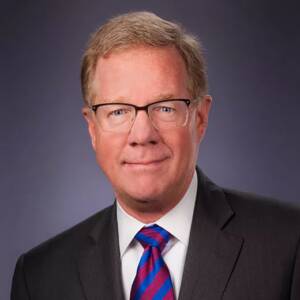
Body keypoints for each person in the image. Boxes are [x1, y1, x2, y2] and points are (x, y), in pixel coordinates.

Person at [11, 11, 300, 300]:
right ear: (92, 128)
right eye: (118, 111)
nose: (142, 135)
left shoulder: (289, 243)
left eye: (165, 107)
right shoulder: (38, 277)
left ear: (200, 117)